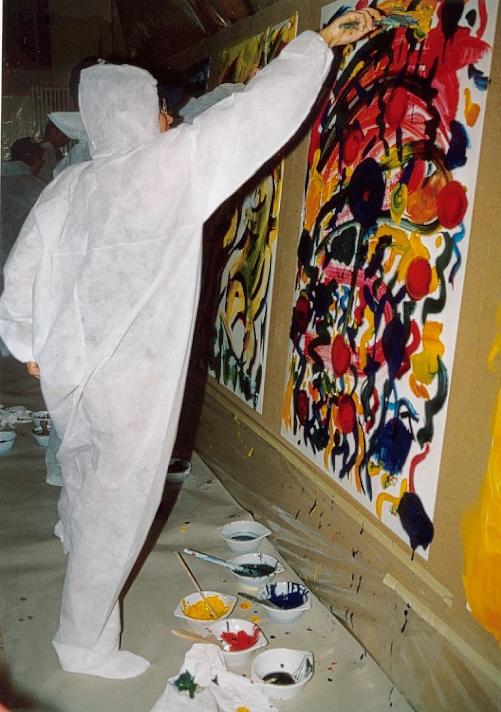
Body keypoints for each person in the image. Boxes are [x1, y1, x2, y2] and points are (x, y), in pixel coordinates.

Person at [0, 10, 379, 679]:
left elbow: (19, 270)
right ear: (132, 112)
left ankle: (74, 542)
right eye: (157, 107)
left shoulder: (70, 183)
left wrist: (23, 340)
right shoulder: (169, 166)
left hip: (65, 369)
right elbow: (256, 115)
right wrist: (316, 42)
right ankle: (82, 641)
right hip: (130, 380)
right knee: (119, 502)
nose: (168, 116)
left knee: (83, 472)